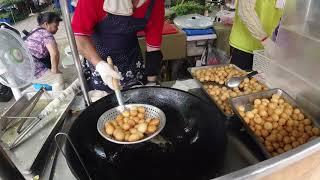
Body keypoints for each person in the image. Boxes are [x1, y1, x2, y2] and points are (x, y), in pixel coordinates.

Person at [72, 0, 164, 92]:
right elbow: (79, 37)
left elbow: (153, 46)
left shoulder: (154, 2)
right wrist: (99, 65)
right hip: (99, 61)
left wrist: (151, 82)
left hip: (132, 62)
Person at [229, 0, 285, 70]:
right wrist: (265, 40)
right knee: (240, 79)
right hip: (244, 47)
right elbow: (245, 11)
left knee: (260, 79)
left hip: (267, 49)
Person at [24, 12, 64, 90]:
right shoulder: (46, 34)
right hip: (33, 71)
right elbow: (54, 53)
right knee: (59, 78)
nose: (57, 29)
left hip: (25, 69)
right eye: (55, 26)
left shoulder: (34, 30)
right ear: (46, 24)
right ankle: (58, 100)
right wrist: (55, 70)